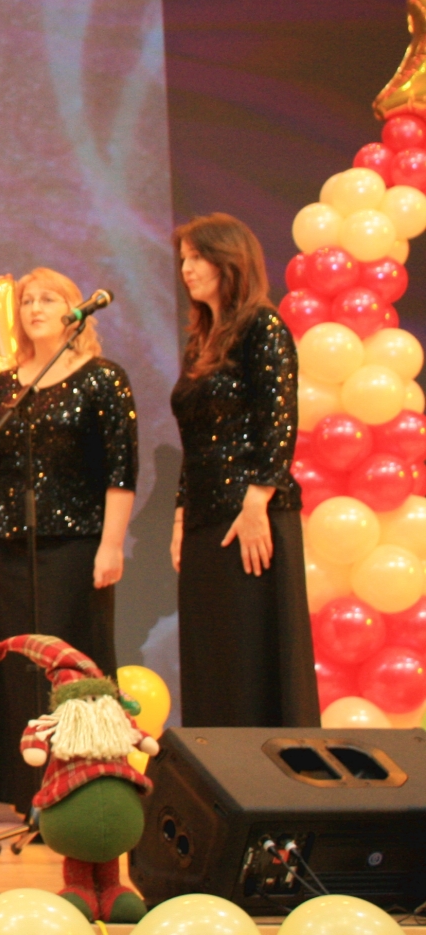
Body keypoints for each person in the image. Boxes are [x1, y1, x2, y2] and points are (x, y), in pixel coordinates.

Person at [0, 267, 138, 818]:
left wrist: (111, 545)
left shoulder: (103, 378)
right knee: (22, 671)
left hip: (77, 547)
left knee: (75, 672)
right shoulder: (4, 386)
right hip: (13, 549)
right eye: (26, 301)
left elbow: (121, 470)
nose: (35, 308)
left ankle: (83, 796)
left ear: (75, 311)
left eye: (48, 299)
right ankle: (31, 800)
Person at [170, 213, 319, 726]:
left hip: (251, 517)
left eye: (197, 257)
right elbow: (195, 440)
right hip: (205, 518)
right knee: (213, 656)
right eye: (183, 259)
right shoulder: (201, 340)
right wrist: (181, 515)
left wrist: (257, 503)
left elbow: (278, 419)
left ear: (228, 261)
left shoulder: (262, 326)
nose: (187, 269)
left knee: (252, 653)